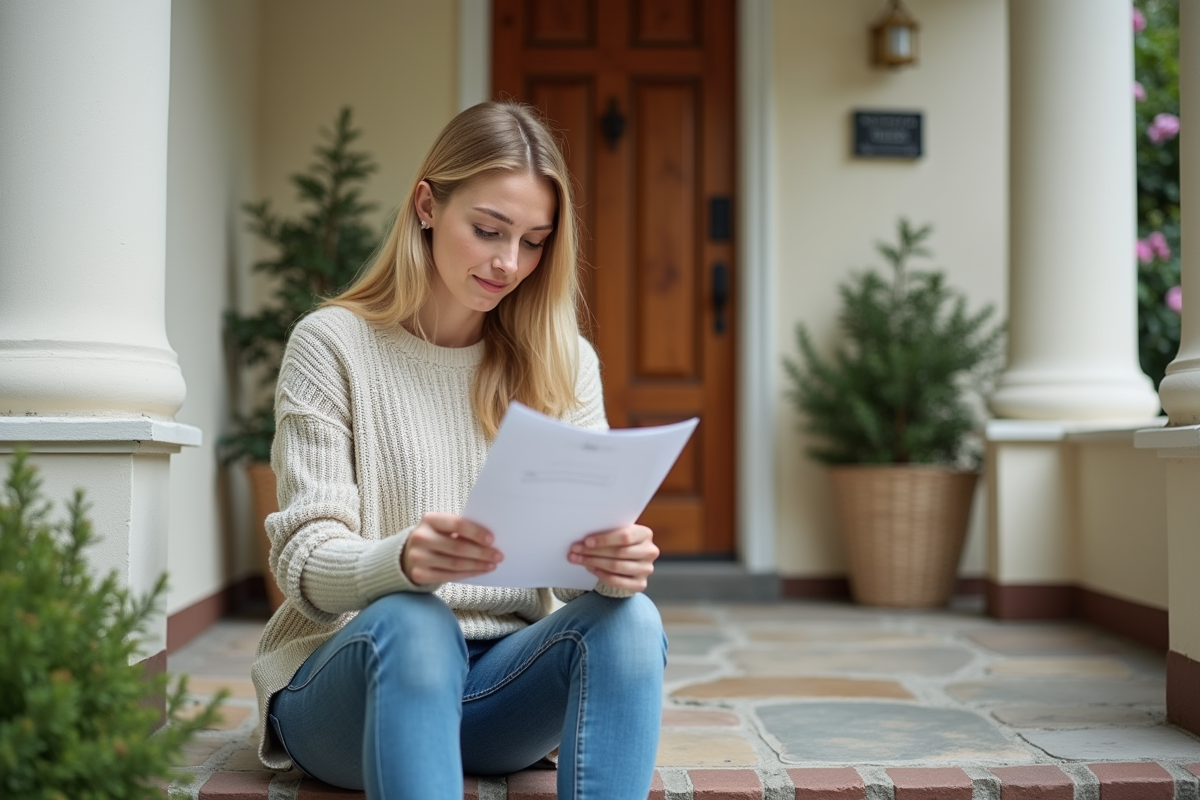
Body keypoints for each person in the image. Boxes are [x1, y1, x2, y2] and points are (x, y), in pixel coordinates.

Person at [250, 101, 667, 800]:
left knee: (632, 622)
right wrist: (401, 560)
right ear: (426, 206)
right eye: (488, 230)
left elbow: (570, 579)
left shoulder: (563, 363)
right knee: (415, 619)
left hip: (495, 697)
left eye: (534, 241)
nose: (509, 262)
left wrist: (610, 563)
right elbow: (304, 565)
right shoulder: (332, 346)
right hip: (351, 688)